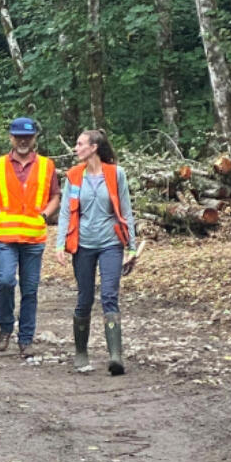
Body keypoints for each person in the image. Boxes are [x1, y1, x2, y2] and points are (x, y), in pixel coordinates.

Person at [54, 128, 138, 376]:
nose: (76, 148)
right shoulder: (73, 176)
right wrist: (60, 244)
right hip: (82, 245)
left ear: (93, 148)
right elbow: (66, 213)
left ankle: (115, 356)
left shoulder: (116, 174)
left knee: (110, 296)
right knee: (85, 298)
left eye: (80, 144)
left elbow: (126, 211)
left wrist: (131, 247)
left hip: (111, 243)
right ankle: (81, 353)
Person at [0, 116, 60, 359]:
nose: (23, 141)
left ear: (35, 138)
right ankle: (5, 327)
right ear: (11, 138)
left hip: (34, 237)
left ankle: (26, 339)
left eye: (27, 136)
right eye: (18, 136)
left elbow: (55, 195)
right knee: (5, 281)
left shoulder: (48, 165)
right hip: (5, 236)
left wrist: (45, 215)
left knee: (30, 289)